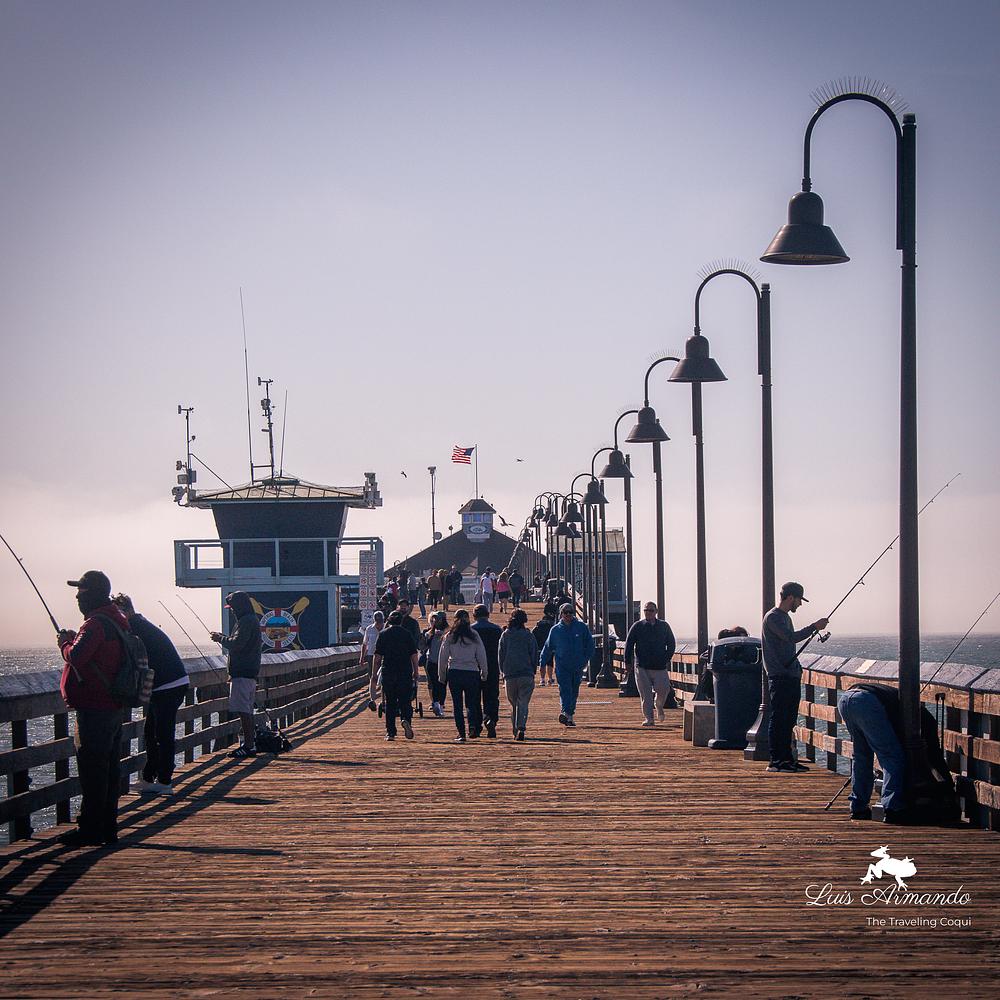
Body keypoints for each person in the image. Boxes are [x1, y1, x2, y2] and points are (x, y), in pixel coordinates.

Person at [57, 570, 129, 846]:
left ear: (93, 595)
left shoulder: (96, 624)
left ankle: (89, 829)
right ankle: (107, 827)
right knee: (109, 770)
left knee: (93, 771)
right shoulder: (117, 620)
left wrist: (65, 643)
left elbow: (77, 656)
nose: (77, 597)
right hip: (112, 705)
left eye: (81, 592)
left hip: (94, 707)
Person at [838, 682, 958, 824]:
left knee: (861, 756)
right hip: (867, 703)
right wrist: (947, 785)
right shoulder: (926, 722)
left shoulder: (907, 708)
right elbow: (934, 754)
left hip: (846, 699)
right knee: (892, 757)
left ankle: (858, 807)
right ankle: (892, 808)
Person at [114, 594, 189, 795]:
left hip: (169, 685)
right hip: (167, 684)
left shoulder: (134, 628)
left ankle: (164, 781)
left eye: (118, 612)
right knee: (151, 732)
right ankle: (148, 778)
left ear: (126, 611)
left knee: (163, 734)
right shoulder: (140, 624)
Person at [761, 582, 829, 773]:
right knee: (779, 718)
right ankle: (776, 761)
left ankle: (787, 759)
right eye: (799, 600)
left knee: (789, 719)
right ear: (790, 597)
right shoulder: (773, 617)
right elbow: (790, 637)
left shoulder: (783, 617)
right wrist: (814, 627)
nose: (799, 604)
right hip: (780, 675)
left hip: (789, 675)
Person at [210, 590, 263, 760]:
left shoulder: (246, 621)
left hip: (243, 674)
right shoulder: (250, 620)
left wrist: (220, 639)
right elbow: (240, 642)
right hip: (248, 673)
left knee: (243, 711)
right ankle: (249, 743)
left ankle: (248, 746)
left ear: (239, 606)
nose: (232, 610)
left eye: (233, 607)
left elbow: (238, 644)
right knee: (246, 710)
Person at [539, 604, 595, 727]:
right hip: (562, 666)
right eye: (565, 612)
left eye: (570, 612)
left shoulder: (581, 627)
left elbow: (590, 645)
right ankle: (565, 712)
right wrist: (542, 662)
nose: (568, 614)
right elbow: (548, 647)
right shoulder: (555, 630)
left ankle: (569, 715)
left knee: (574, 690)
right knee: (565, 689)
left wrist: (585, 659)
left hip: (577, 665)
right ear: (561, 614)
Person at [623, 601, 677, 728]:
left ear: (656, 612)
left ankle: (659, 705)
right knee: (645, 694)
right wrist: (627, 662)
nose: (648, 613)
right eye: (646, 610)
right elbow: (629, 644)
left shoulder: (664, 626)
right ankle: (649, 718)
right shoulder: (638, 626)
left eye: (651, 610)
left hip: (659, 666)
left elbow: (671, 643)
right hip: (641, 666)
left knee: (664, 689)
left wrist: (666, 658)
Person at [438, 609, 487, 743]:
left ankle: (461, 733)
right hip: (472, 672)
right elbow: (481, 655)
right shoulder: (474, 635)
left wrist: (442, 675)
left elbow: (443, 658)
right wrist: (484, 672)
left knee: (457, 705)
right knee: (471, 703)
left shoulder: (450, 636)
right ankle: (472, 726)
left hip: (455, 672)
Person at [373, 610, 420, 741]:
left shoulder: (383, 634)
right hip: (404, 671)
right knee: (405, 701)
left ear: (389, 621)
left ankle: (391, 732)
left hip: (389, 672)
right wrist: (416, 671)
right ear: (401, 621)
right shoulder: (407, 634)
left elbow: (377, 657)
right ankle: (406, 720)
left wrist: (374, 674)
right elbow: (414, 655)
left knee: (390, 702)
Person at [499, 609, 538, 741]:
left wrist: (503, 671)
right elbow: (534, 654)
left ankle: (515, 730)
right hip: (526, 673)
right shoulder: (528, 635)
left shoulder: (505, 635)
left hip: (510, 674)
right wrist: (533, 670)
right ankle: (521, 726)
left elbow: (501, 654)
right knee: (523, 701)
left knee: (513, 703)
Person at [472, 603, 503, 738]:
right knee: (492, 696)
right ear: (488, 615)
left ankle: (476, 725)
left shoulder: (471, 630)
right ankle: (491, 718)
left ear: (474, 616)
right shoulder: (497, 630)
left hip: (474, 667)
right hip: (493, 666)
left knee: (474, 697)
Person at [421, 611, 449, 717]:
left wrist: (444, 635)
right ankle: (436, 704)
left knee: (442, 684)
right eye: (434, 619)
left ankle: (441, 705)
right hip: (431, 661)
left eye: (437, 619)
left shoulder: (449, 633)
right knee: (434, 684)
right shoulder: (429, 632)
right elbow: (423, 646)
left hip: (444, 663)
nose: (435, 621)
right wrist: (428, 637)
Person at [361, 611, 385, 705]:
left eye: (380, 622)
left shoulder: (386, 628)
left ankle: (383, 699)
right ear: (374, 620)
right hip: (372, 655)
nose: (379, 624)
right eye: (377, 622)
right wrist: (362, 657)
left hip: (384, 655)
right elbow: (364, 644)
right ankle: (372, 700)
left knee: (384, 677)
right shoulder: (369, 629)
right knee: (373, 676)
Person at [533, 601, 558, 685]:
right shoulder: (553, 626)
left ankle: (542, 679)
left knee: (542, 662)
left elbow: (534, 634)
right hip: (550, 644)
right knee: (550, 662)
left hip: (540, 644)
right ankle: (550, 678)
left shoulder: (538, 626)